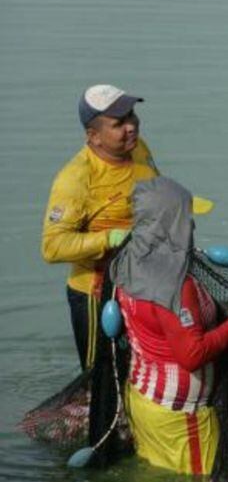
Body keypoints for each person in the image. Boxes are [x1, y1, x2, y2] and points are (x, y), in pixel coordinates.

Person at [111, 176, 228, 475]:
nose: (192, 226)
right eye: (187, 219)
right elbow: (191, 354)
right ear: (169, 225)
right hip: (180, 417)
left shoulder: (129, 261)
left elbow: (160, 325)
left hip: (144, 400)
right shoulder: (177, 285)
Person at [41, 84, 160, 370]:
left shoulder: (139, 149)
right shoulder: (75, 179)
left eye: (132, 115)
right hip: (97, 295)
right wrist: (110, 237)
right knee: (102, 377)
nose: (131, 126)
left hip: (141, 284)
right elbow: (52, 247)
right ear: (93, 136)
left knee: (140, 369)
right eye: (119, 123)